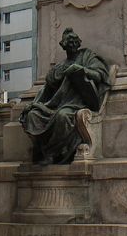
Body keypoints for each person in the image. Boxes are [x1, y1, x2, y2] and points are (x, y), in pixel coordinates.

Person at [19, 28, 111, 165]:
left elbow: (100, 75)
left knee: (62, 116)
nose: (72, 45)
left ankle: (52, 153)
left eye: (75, 42)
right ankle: (41, 150)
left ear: (79, 43)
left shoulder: (87, 56)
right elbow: (47, 89)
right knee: (33, 115)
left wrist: (82, 70)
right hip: (56, 104)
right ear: (63, 45)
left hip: (77, 104)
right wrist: (35, 103)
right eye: (69, 43)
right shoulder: (59, 67)